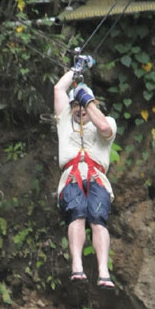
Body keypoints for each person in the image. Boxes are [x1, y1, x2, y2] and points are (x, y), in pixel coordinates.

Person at [53, 69, 117, 288]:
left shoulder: (106, 121)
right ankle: (77, 267)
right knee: (77, 213)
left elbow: (104, 128)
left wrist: (86, 100)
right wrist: (75, 70)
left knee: (98, 219)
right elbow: (58, 89)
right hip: (71, 177)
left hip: (97, 178)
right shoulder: (64, 123)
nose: (80, 111)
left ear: (93, 105)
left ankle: (103, 271)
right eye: (76, 107)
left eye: (84, 107)